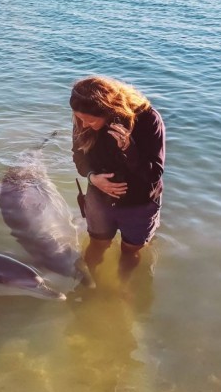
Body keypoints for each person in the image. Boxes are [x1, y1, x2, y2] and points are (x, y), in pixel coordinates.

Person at [69, 76, 165, 284]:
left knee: (131, 251)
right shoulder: (82, 119)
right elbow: (78, 158)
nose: (83, 124)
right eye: (79, 118)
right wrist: (92, 178)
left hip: (138, 203)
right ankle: (91, 281)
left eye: (90, 120)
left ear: (108, 110)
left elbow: (154, 174)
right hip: (98, 199)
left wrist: (129, 150)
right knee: (97, 244)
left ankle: (123, 284)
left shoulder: (148, 120)